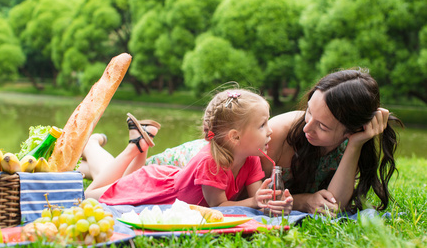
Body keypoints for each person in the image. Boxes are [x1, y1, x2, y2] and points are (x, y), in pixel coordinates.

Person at [144, 69, 403, 215]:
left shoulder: (350, 141)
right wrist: (301, 201)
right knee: (122, 181)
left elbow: (333, 204)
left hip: (217, 184)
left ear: (351, 130)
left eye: (323, 126)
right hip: (197, 164)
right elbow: (243, 194)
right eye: (309, 112)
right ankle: (123, 144)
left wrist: (357, 144)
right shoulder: (277, 134)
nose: (307, 127)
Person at [83, 89, 294, 215]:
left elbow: (256, 199)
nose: (271, 130)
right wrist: (257, 202)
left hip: (166, 180)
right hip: (154, 189)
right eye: (263, 125)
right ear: (235, 137)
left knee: (115, 180)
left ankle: (137, 146)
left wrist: (273, 203)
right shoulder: (212, 162)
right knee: (90, 194)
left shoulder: (251, 158)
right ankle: (109, 146)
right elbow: (219, 206)